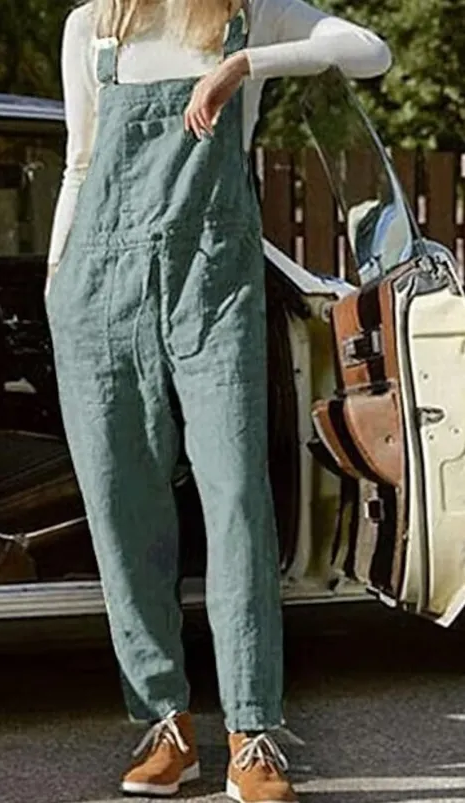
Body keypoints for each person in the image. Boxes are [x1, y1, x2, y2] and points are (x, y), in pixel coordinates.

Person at [45, 1, 391, 801]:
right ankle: (166, 723)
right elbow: (79, 164)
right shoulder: (95, 24)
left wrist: (242, 67)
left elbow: (368, 51)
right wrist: (58, 285)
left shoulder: (249, 14)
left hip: (212, 287)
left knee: (236, 500)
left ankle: (251, 735)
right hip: (99, 287)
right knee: (123, 505)